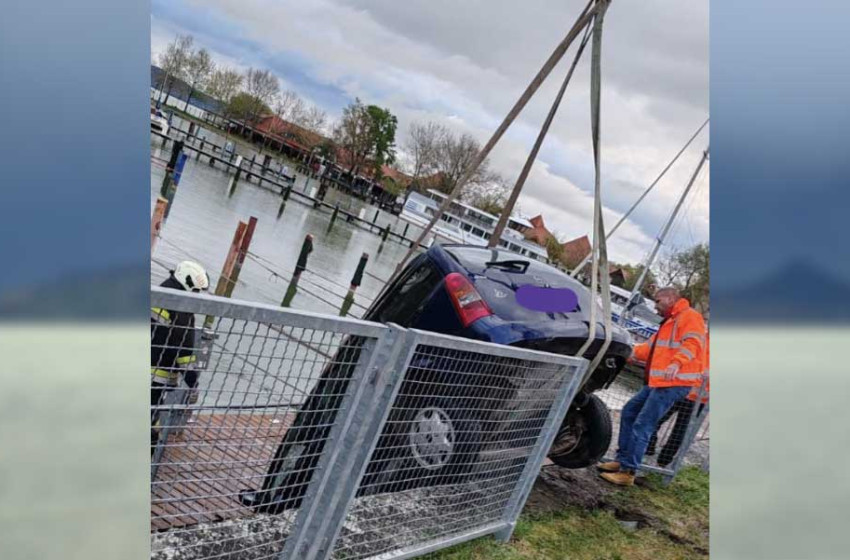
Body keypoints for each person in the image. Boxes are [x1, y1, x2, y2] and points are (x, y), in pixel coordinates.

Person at [598, 287, 706, 486]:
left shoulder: (690, 317)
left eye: (657, 301)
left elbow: (693, 343)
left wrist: (677, 363)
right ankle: (621, 460)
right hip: (660, 382)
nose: (654, 306)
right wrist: (628, 353)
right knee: (630, 411)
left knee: (643, 423)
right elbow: (650, 348)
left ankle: (629, 471)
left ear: (670, 298)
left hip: (674, 382)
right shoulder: (670, 322)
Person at [151, 261, 210, 449]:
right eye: (195, 291)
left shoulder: (159, 294)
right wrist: (193, 384)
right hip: (156, 376)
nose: (196, 296)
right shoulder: (180, 309)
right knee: (150, 421)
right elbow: (184, 351)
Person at [646, 329, 710, 467]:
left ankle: (663, 461)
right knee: (656, 419)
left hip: (696, 397)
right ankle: (649, 449)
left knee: (679, 430)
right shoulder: (701, 337)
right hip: (681, 388)